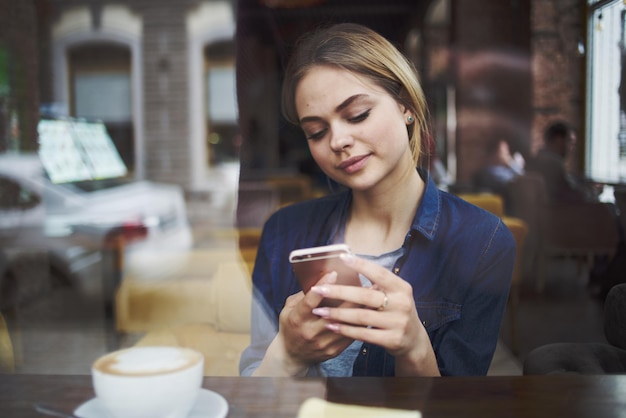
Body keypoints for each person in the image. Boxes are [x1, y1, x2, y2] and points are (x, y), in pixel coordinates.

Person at [239, 23, 516, 377]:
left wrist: (416, 349)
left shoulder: (483, 241)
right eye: (317, 132)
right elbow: (254, 385)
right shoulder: (283, 232)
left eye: (357, 115)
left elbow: (457, 404)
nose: (338, 140)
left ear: (405, 106)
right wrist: (287, 356)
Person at [526, 121, 597, 203]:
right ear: (558, 140)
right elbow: (573, 195)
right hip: (557, 212)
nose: (572, 148)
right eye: (570, 142)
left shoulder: (538, 159)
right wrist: (592, 192)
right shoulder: (552, 163)